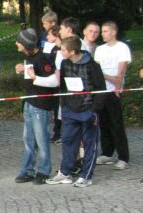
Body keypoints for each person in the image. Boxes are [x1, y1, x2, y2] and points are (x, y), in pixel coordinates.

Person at [46, 36, 106, 187]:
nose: (61, 52)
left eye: (63, 50)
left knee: (89, 144)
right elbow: (63, 86)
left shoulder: (92, 65)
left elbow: (101, 89)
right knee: (68, 141)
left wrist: (94, 110)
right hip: (70, 111)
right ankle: (65, 173)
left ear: (72, 51)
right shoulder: (65, 63)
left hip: (88, 110)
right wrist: (64, 106)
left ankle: (86, 176)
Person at [13, 28, 58, 184]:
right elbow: (30, 74)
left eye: (19, 41)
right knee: (29, 139)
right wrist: (22, 69)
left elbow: (53, 82)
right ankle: (27, 170)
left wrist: (35, 77)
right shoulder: (28, 56)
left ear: (26, 44)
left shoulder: (43, 59)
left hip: (41, 105)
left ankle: (44, 171)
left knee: (41, 140)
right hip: (29, 102)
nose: (16, 43)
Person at [94, 21, 131, 170]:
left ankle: (123, 157)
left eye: (105, 31)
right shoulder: (99, 49)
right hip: (101, 91)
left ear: (113, 32)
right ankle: (107, 153)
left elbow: (120, 74)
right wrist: (103, 78)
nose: (102, 34)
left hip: (114, 91)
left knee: (117, 124)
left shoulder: (122, 48)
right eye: (102, 31)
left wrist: (114, 83)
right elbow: (96, 70)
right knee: (103, 123)